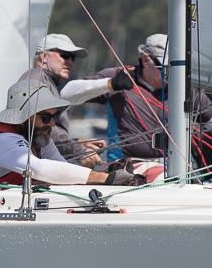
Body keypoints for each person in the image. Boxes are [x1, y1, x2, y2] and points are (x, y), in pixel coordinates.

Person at [0, 79, 141, 210]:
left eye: (53, 117)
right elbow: (40, 170)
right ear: (25, 116)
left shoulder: (40, 137)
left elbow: (60, 170)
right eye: (45, 117)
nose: (51, 124)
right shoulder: (2, 142)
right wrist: (104, 179)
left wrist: (105, 174)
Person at [88, 34, 212, 168]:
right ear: (145, 60)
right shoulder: (118, 76)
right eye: (164, 67)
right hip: (126, 167)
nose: (170, 74)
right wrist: (109, 84)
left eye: (173, 67)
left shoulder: (182, 88)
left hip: (174, 168)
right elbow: (68, 93)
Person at [20, 34, 133, 168]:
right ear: (44, 56)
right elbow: (40, 126)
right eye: (65, 55)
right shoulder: (36, 78)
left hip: (41, 165)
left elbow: (44, 134)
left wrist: (77, 142)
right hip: (32, 170)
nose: (70, 62)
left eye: (73, 58)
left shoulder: (45, 82)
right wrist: (78, 151)